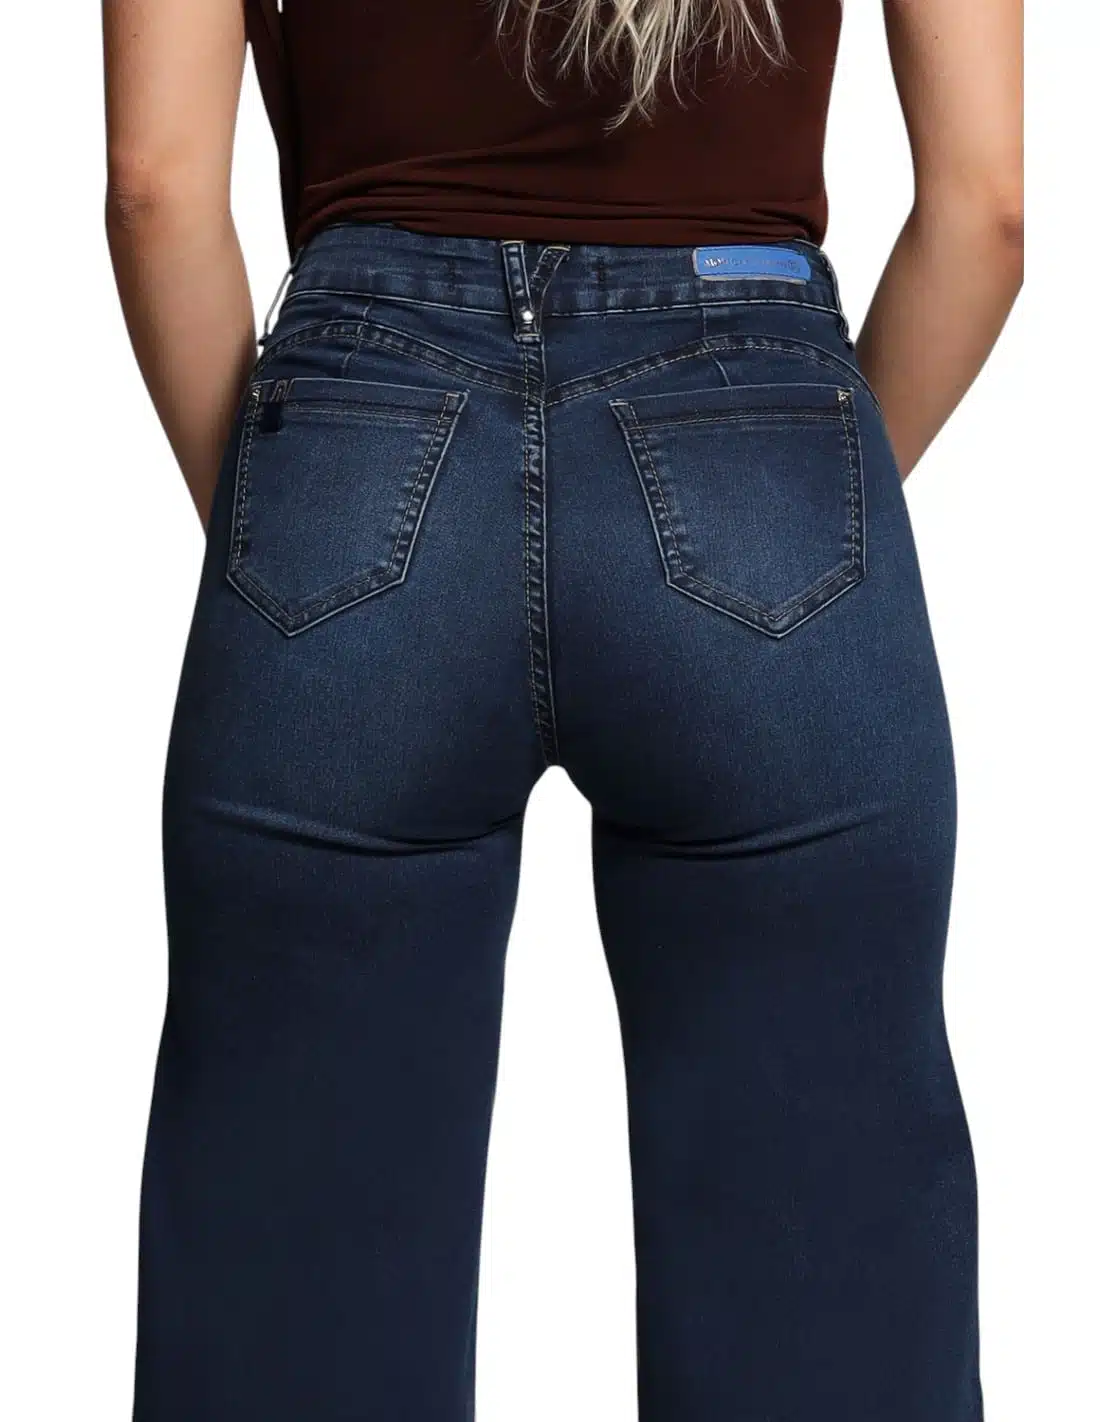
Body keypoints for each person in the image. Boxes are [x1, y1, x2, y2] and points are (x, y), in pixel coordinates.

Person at [102, 1, 1022, 1417]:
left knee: (291, 1305)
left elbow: (156, 186)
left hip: (358, 436)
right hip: (756, 427)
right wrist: (797, 528)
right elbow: (986, 211)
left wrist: (293, 535)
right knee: (829, 1303)